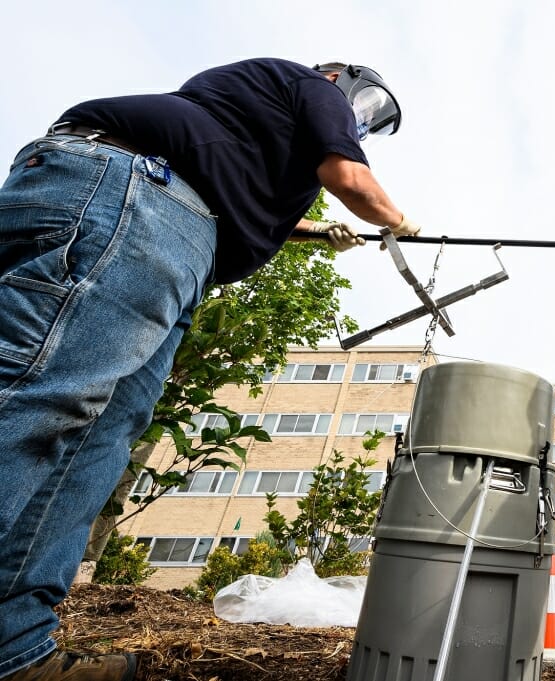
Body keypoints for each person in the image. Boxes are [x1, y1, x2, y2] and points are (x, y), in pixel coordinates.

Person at [0, 58, 415, 681]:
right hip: (129, 195)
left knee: (96, 440)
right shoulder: (315, 87)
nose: (360, 122)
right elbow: (349, 175)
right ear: (344, 82)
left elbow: (235, 183)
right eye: (367, 111)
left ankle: (15, 651)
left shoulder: (264, 123)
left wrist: (314, 231)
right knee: (43, 391)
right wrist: (399, 222)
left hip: (170, 229)